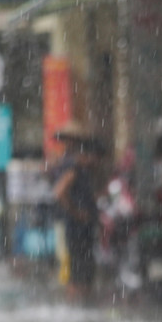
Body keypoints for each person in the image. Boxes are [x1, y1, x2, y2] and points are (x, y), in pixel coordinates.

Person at [52, 122, 104, 304]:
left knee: (82, 270)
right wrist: (77, 213)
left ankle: (80, 307)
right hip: (77, 228)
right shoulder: (73, 166)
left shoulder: (70, 165)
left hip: (80, 227)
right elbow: (59, 192)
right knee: (79, 272)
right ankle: (77, 306)